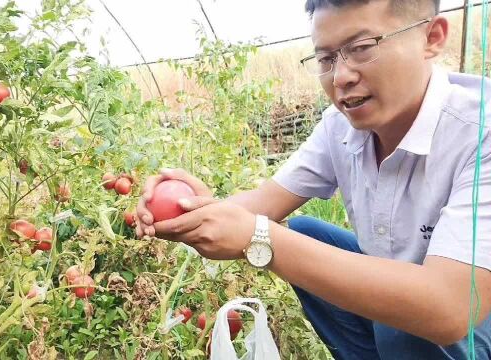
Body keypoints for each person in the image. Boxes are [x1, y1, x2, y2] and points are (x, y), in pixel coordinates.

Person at [134, 0, 491, 359]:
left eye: (362, 48)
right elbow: (262, 204)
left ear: (432, 37)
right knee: (306, 233)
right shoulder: (341, 127)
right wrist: (188, 208)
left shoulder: (481, 133)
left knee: (409, 322)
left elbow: (452, 309)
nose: (341, 77)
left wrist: (260, 239)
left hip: (471, 317)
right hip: (414, 313)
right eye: (326, 58)